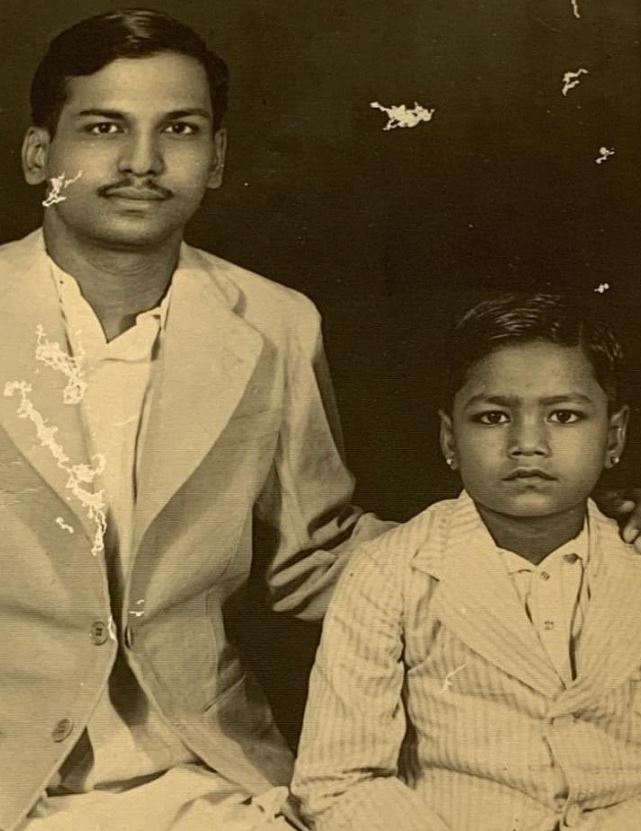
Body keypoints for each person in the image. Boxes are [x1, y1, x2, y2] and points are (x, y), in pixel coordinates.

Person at [0, 9, 396, 831]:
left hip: (203, 774)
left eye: (177, 129)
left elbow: (316, 556)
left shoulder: (277, 323)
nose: (142, 162)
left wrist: (534, 530)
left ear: (215, 158)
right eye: (104, 127)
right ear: (40, 155)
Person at [292, 293, 641, 831]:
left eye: (564, 415)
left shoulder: (631, 556)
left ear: (613, 436)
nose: (528, 444)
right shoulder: (389, 571)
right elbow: (339, 779)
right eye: (493, 417)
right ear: (450, 438)